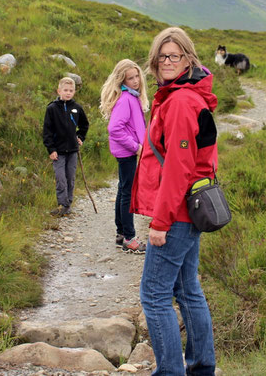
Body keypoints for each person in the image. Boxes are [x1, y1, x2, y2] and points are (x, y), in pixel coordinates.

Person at [131, 27, 218, 375]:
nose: (167, 62)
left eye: (175, 56)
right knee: (187, 289)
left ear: (188, 59)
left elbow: (179, 168)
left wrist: (161, 222)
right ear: (154, 61)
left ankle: (171, 371)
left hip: (178, 214)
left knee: (153, 295)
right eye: (162, 56)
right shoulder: (182, 95)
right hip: (188, 211)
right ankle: (200, 366)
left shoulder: (181, 101)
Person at [100, 59, 150, 253]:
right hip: (127, 151)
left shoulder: (131, 96)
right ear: (122, 80)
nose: (136, 80)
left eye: (137, 76)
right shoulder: (126, 99)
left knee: (123, 190)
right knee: (128, 192)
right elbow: (114, 128)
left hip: (126, 151)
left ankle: (121, 234)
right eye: (131, 78)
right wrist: (136, 147)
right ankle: (129, 237)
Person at [42, 77, 89, 216]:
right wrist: (51, 149)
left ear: (74, 91)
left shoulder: (77, 108)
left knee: (70, 178)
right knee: (60, 178)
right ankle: (62, 204)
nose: (68, 93)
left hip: (73, 150)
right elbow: (47, 131)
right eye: (65, 90)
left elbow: (84, 125)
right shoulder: (52, 108)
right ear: (59, 91)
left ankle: (68, 205)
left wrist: (80, 137)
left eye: (71, 90)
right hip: (58, 151)